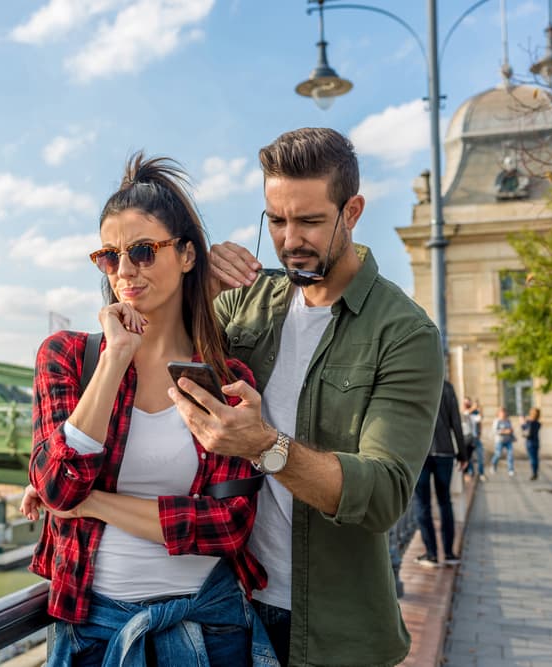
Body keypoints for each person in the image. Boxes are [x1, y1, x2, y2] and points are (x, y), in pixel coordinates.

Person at [171, 127, 444, 666]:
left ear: (353, 210)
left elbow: (385, 494)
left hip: (336, 633)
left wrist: (266, 446)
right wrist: (196, 288)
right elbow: (154, 368)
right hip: (229, 609)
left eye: (311, 221)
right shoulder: (245, 303)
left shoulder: (405, 333)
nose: (290, 239)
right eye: (276, 220)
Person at [19, 153, 277, 666]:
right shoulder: (68, 357)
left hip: (209, 626)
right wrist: (116, 358)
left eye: (142, 251)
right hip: (91, 632)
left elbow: (226, 526)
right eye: (109, 257)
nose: (125, 271)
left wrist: (93, 505)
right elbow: (57, 485)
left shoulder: (228, 381)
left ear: (185, 255)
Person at [414, 380, 469, 569]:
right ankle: (449, 553)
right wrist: (463, 453)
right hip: (445, 452)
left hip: (420, 453)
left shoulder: (416, 383)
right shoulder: (446, 387)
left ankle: (431, 553)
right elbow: (456, 421)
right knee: (445, 502)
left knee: (422, 503)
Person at [462, 397, 486, 482]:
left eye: (468, 403)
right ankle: (470, 473)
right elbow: (465, 414)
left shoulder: (473, 414)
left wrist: (480, 409)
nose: (467, 405)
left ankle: (481, 473)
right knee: (469, 458)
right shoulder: (463, 413)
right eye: (466, 403)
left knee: (480, 457)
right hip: (467, 439)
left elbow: (480, 418)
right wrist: (474, 407)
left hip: (475, 438)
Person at [490, 407, 516, 476]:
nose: (503, 414)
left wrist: (513, 436)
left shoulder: (508, 421)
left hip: (508, 440)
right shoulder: (497, 421)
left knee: (510, 454)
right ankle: (493, 465)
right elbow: (494, 431)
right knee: (498, 454)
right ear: (499, 413)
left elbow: (510, 430)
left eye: (504, 412)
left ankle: (510, 469)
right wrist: (504, 431)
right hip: (499, 440)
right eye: (502, 412)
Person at [522, 407, 542, 480]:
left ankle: (534, 473)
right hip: (536, 442)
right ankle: (535, 472)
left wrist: (523, 423)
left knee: (532, 459)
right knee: (535, 458)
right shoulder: (538, 423)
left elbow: (526, 431)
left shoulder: (530, 422)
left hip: (530, 443)